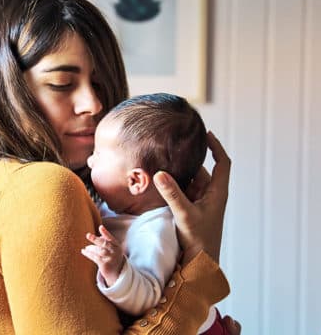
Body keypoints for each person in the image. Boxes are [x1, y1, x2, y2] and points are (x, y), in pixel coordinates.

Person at [0, 0, 240, 334]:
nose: (93, 104)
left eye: (101, 84)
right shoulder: (41, 187)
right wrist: (199, 264)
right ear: (5, 88)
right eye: (61, 83)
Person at [82, 93, 229, 334]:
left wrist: (117, 269)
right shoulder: (121, 208)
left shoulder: (154, 230)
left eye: (98, 156)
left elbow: (148, 298)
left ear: (136, 181)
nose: (89, 161)